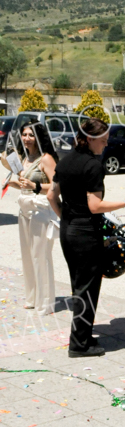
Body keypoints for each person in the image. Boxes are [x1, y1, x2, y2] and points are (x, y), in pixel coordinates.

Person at [47, 117, 125, 357]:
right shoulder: (93, 165)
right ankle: (79, 345)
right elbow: (95, 206)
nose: (106, 144)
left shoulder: (65, 161)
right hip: (86, 233)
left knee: (79, 286)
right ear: (89, 138)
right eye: (103, 140)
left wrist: (67, 218)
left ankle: (83, 336)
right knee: (87, 289)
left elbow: (51, 196)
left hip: (68, 230)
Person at [7, 120, 58, 314]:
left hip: (41, 210)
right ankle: (32, 298)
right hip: (25, 208)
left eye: (31, 135)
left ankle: (46, 302)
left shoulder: (46, 159)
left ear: (38, 137)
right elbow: (25, 183)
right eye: (24, 134)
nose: (27, 138)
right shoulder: (24, 158)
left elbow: (56, 186)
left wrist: (35, 186)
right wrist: (14, 184)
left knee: (41, 256)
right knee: (28, 256)